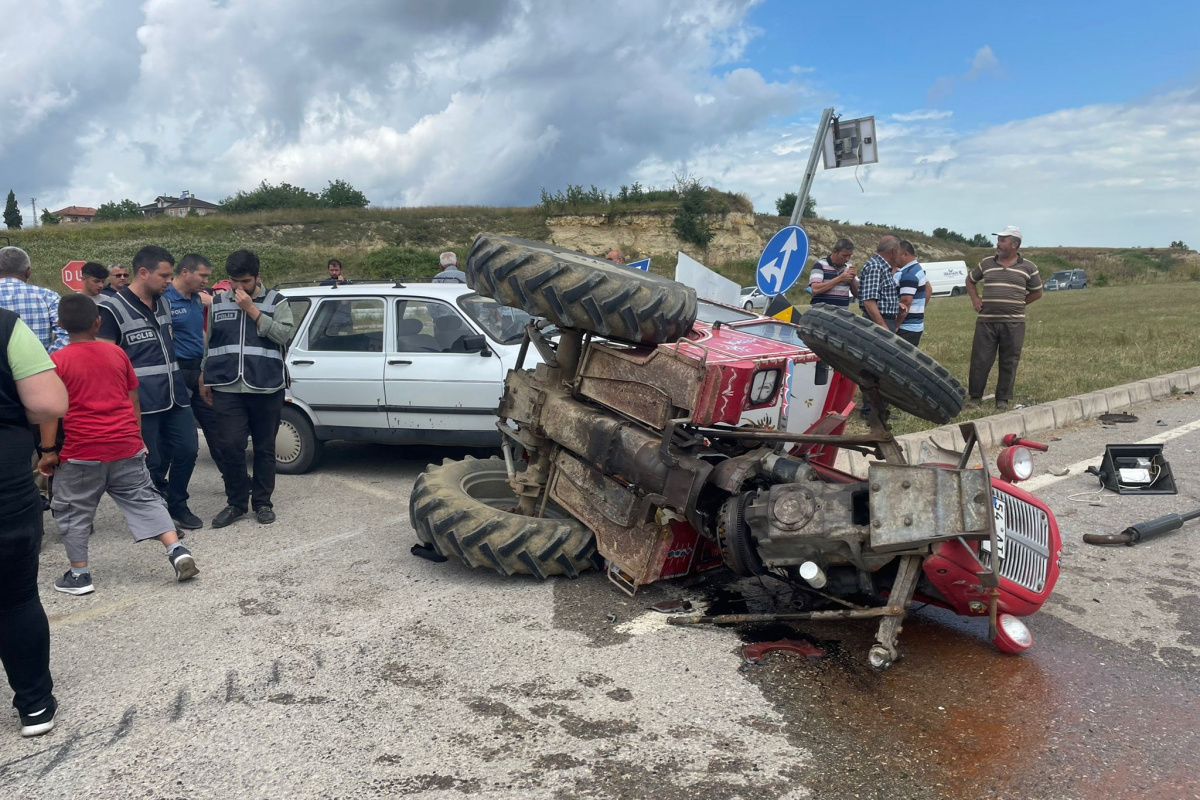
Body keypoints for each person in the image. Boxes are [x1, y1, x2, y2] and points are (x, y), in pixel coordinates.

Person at [38, 295, 199, 596]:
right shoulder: (117, 353)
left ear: (59, 324)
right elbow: (133, 397)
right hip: (125, 444)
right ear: (98, 322)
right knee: (145, 499)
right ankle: (177, 550)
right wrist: (137, 437)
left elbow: (50, 411)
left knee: (73, 509)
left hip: (83, 451)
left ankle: (79, 575)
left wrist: (48, 452)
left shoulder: (56, 362)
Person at [97, 246, 201, 531]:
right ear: (143, 272)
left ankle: (178, 503)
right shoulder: (111, 309)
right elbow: (105, 363)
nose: (169, 281)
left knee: (187, 450)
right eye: (164, 276)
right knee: (150, 462)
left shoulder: (164, 303)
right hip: (142, 402)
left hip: (175, 396)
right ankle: (157, 515)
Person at [0, 306, 68, 737]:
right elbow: (49, 403)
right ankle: (35, 706)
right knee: (15, 598)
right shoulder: (6, 325)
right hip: (4, 483)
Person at [199, 249, 294, 527]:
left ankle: (262, 502)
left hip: (266, 386)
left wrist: (252, 310)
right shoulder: (218, 302)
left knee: (264, 448)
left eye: (245, 281)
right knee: (230, 446)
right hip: (227, 386)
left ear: (258, 277)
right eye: (234, 281)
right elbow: (211, 342)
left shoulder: (277, 301)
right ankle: (236, 503)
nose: (239, 287)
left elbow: (284, 335)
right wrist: (205, 374)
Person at [966, 226, 1043, 411]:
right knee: (980, 359)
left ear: (1014, 244)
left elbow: (1037, 292)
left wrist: (1019, 304)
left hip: (1014, 323)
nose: (998, 244)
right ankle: (975, 397)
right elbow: (970, 280)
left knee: (1009, 360)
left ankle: (1003, 399)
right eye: (998, 240)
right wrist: (975, 299)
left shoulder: (1029, 267)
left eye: (1002, 240)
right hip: (986, 321)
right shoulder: (986, 263)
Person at [164, 254, 219, 451]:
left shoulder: (196, 298)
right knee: (183, 436)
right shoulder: (164, 299)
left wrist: (207, 361)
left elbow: (198, 332)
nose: (206, 281)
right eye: (202, 276)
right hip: (178, 370)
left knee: (217, 428)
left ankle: (230, 470)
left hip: (199, 369)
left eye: (208, 276)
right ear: (185, 272)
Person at [0, 246, 69, 353]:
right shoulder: (48, 297)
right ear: (28, 272)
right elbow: (67, 334)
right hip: (41, 362)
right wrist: (46, 359)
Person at [856, 236, 902, 332]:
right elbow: (869, 301)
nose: (899, 255)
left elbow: (880, 296)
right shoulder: (876, 266)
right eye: (899, 252)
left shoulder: (883, 267)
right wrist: (883, 327)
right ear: (894, 251)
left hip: (883, 320)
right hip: (878, 322)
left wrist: (894, 305)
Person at [891, 241, 928, 347]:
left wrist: (896, 325)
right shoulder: (917, 269)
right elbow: (929, 289)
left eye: (897, 255)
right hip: (916, 325)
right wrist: (919, 309)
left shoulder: (908, 274)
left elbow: (906, 301)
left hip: (905, 327)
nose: (894, 258)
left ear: (905, 254)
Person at [809, 239, 858, 307]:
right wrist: (839, 279)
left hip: (841, 312)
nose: (847, 259)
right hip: (820, 311)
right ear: (835, 252)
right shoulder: (820, 265)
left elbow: (858, 294)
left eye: (849, 256)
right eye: (844, 255)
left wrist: (853, 278)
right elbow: (815, 289)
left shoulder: (849, 267)